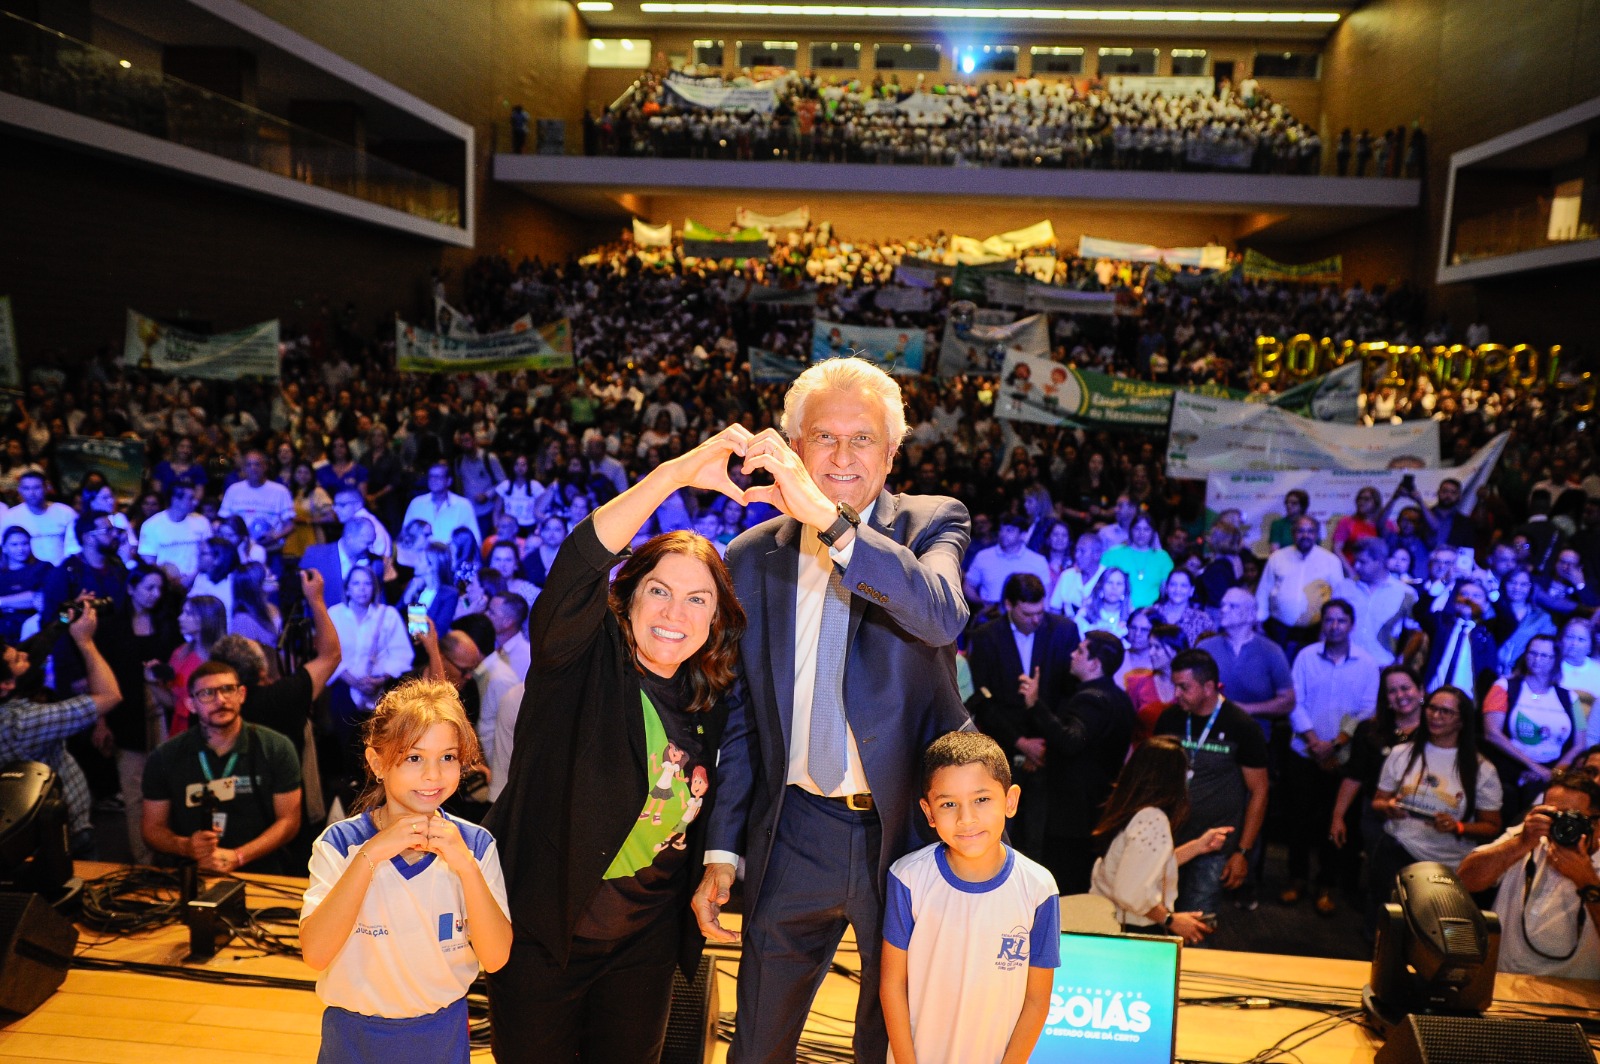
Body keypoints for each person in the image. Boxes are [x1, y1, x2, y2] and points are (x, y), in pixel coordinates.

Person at [692, 358, 971, 1064]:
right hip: (794, 828)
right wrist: (723, 850)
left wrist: (833, 523)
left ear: (891, 453)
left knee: (891, 1043)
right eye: (824, 437)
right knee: (756, 1045)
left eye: (863, 439)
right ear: (794, 447)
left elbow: (940, 616)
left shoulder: (931, 522)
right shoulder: (751, 555)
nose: (843, 456)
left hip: (906, 832)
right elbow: (744, 717)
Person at [483, 425, 750, 1063]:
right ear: (627, 597)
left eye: (698, 599)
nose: (675, 614)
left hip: (644, 949)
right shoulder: (578, 661)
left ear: (715, 619)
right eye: (659, 590)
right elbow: (579, 561)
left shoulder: (711, 700)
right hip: (544, 936)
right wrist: (674, 475)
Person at [300, 678, 511, 1063]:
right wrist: (371, 855)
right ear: (377, 762)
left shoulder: (475, 846)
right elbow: (315, 953)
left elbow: (496, 958)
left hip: (442, 1034)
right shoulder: (340, 844)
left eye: (448, 757)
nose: (433, 775)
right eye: (414, 758)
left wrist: (466, 868)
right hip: (354, 1037)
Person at [881, 732, 1059, 1064]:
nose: (966, 819)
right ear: (929, 812)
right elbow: (892, 985)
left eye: (982, 799)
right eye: (948, 804)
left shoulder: (1039, 888)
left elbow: (1037, 1000)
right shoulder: (908, 878)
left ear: (1010, 801)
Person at [141, 661, 304, 875]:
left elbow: (289, 821)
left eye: (228, 689)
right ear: (191, 704)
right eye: (207, 693)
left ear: (242, 694)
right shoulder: (165, 756)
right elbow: (152, 829)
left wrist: (238, 856)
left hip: (261, 871)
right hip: (191, 873)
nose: (220, 700)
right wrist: (186, 846)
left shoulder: (276, 747)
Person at [1367, 684, 1501, 927]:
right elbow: (1377, 801)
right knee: (1388, 928)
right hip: (1398, 850)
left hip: (1447, 865)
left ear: (1462, 720)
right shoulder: (1401, 753)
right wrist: (1388, 806)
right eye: (1432, 708)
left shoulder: (1482, 769)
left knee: (1432, 931)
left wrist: (1458, 827)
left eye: (1445, 712)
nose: (1435, 716)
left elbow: (1492, 826)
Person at [966, 572, 1079, 861]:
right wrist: (1021, 743)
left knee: (1041, 839)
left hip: (1050, 750)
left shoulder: (1063, 630)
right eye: (1028, 614)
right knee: (1003, 833)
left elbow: (1069, 693)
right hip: (1005, 748)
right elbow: (984, 701)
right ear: (1009, 605)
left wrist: (1045, 740)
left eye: (1040, 612)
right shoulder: (986, 637)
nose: (1036, 620)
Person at [1152, 649, 1269, 925]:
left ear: (1208, 687)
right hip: (1168, 840)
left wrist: (1242, 852)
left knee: (1198, 922)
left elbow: (1259, 791)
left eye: (1184, 687)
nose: (1176, 694)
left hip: (1213, 846)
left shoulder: (1241, 726)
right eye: (1175, 685)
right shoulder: (1170, 719)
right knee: (1157, 919)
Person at [0, 602, 121, 853]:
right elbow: (110, 696)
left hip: (27, 835)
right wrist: (85, 641)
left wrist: (65, 619)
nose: (24, 655)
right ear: (6, 684)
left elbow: (35, 647)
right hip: (61, 838)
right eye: (17, 659)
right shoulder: (21, 722)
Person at [1283, 599, 1380, 912]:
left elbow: (1367, 710)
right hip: (1304, 751)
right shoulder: (1306, 656)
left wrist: (1336, 743)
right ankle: (1296, 879)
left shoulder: (1367, 663)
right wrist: (1314, 741)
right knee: (1298, 820)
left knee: (1334, 822)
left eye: (1341, 621)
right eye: (1329, 620)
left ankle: (1326, 885)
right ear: (1322, 623)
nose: (1334, 626)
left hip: (1343, 757)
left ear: (1351, 625)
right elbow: (1294, 701)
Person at [1457, 769, 1600, 979]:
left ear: (1597, 823)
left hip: (1573, 991)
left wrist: (1587, 881)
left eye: (1573, 817)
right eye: (1554, 815)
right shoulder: (1528, 836)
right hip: (1503, 982)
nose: (1562, 825)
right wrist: (1521, 844)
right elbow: (1464, 881)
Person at [1089, 735, 1231, 943]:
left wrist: (1198, 846)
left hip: (1109, 924)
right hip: (1130, 933)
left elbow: (1141, 868)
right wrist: (1171, 920)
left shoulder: (1131, 810)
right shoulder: (1152, 819)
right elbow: (1130, 893)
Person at [1028, 630, 1136, 895]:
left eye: (1080, 651)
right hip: (1098, 806)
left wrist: (1035, 705)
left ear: (1095, 663)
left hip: (1073, 813)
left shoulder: (1091, 698)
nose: (1072, 655)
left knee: (1065, 886)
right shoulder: (1120, 697)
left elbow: (1070, 741)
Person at [1329, 665, 1425, 883]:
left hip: (1421, 817)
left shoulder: (1436, 731)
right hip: (1376, 815)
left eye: (1405, 688)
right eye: (1392, 691)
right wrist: (1337, 816)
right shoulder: (1370, 730)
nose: (1400, 695)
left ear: (1421, 691)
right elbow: (1354, 776)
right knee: (1381, 878)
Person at [1483, 635, 1580, 823]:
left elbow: (1579, 743)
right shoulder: (1503, 687)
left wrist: (1553, 772)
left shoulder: (1570, 697)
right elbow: (1492, 733)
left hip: (1552, 772)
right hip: (1509, 768)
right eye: (1532, 653)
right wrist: (1534, 767)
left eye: (1544, 656)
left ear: (1555, 660)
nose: (1537, 660)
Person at [327, 566, 413, 778]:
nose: (362, 589)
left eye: (366, 583)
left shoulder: (388, 615)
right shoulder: (335, 614)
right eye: (356, 583)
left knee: (376, 745)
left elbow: (402, 653)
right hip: (344, 687)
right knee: (347, 745)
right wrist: (353, 681)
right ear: (347, 588)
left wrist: (380, 679)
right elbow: (328, 652)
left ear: (374, 588)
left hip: (379, 689)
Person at [1256, 516, 1343, 658]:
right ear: (1293, 533)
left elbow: (1338, 596)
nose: (1305, 535)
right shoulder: (1277, 557)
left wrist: (1331, 625)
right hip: (1279, 627)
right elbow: (1264, 589)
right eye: (1300, 531)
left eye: (1310, 531)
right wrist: (1259, 620)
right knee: (1280, 666)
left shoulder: (1330, 561)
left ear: (1316, 534)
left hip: (1315, 630)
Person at [152, 594, 228, 737]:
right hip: (181, 731)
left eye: (188, 614)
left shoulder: (223, 659)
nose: (180, 618)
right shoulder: (180, 653)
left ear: (206, 619)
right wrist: (152, 680)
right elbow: (173, 702)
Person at [1333, 537, 1415, 666]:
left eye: (1362, 562)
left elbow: (1413, 634)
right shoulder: (1344, 587)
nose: (1356, 566)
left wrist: (1400, 664)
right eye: (1355, 561)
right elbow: (1328, 627)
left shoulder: (1406, 593)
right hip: (1342, 662)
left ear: (1380, 562)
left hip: (1382, 666)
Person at [1423, 578, 1498, 699]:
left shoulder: (1488, 632)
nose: (1469, 599)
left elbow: (1507, 620)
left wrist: (1492, 592)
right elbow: (1420, 611)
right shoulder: (1441, 623)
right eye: (1464, 594)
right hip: (1432, 692)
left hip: (1467, 700)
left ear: (1486, 604)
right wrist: (1444, 580)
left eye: (1476, 596)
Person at [964, 513, 1049, 609]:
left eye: (1009, 530)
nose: (1003, 534)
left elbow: (1045, 596)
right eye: (1001, 530)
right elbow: (968, 586)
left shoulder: (1037, 561)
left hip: (1026, 614)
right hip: (991, 614)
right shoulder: (983, 556)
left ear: (1023, 535)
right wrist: (982, 603)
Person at [218, 450, 294, 555]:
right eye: (249, 465)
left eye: (257, 464)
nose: (253, 468)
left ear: (265, 466)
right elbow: (224, 520)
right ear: (244, 468)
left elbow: (290, 525)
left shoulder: (280, 491)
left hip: (271, 550)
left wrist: (275, 536)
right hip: (240, 551)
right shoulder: (233, 490)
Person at [137, 481, 211, 585]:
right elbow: (149, 561)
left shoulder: (202, 522)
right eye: (190, 498)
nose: (195, 502)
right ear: (175, 500)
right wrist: (172, 580)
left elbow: (209, 554)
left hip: (199, 581)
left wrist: (192, 577)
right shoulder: (151, 525)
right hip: (166, 584)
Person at [300, 513, 380, 609]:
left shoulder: (376, 563)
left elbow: (378, 603)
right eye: (367, 543)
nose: (371, 548)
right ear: (350, 538)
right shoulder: (315, 556)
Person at [1489, 567, 1557, 677]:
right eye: (1512, 582)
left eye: (1523, 584)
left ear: (1530, 587)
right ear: (1504, 584)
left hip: (1522, 674)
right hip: (1487, 670)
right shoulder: (1491, 610)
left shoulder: (1541, 617)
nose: (1517, 588)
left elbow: (1546, 650)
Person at [4, 470, 78, 565]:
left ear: (46, 488)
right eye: (26, 488)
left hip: (63, 569)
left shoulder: (65, 512)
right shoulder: (10, 517)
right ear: (20, 490)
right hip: (27, 571)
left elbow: (75, 546)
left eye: (36, 487)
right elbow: (4, 549)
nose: (32, 492)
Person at [1101, 512, 1172, 610]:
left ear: (1153, 532)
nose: (1141, 533)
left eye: (1146, 529)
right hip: (1116, 611)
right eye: (1137, 528)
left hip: (1149, 613)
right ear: (1131, 530)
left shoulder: (1162, 558)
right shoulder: (1113, 554)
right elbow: (1100, 584)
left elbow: (1166, 591)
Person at [403, 461, 480, 548]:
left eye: (438, 477)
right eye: (431, 476)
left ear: (449, 481)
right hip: (420, 555)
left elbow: (475, 539)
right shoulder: (416, 504)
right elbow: (405, 535)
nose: (433, 480)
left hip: (452, 555)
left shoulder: (463, 505)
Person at [0, 525, 47, 643]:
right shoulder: (2, 574)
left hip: (34, 629)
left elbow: (36, 599)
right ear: (4, 548)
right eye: (14, 545)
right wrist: (19, 600)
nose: (20, 549)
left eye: (25, 543)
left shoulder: (43, 568)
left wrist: (2, 602)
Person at [1045, 529, 1104, 617]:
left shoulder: (1108, 577)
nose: (1076, 555)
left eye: (1082, 551)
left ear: (1097, 554)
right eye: (1076, 551)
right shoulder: (1067, 576)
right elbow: (1055, 609)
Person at [1152, 568, 1211, 648]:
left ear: (1191, 590)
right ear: (1166, 588)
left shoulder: (1202, 620)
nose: (1178, 590)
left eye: (1183, 586)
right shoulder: (1153, 612)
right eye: (1173, 584)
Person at [1075, 565, 1131, 639]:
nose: (1114, 587)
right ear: (1101, 586)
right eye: (1109, 582)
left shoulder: (1131, 617)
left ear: (1125, 589)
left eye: (1119, 584)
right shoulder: (1085, 614)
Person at [1332, 486, 1382, 564]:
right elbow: (1336, 550)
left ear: (1376, 503)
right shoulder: (1346, 522)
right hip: (1351, 567)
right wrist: (1350, 570)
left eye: (1366, 499)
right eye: (1359, 499)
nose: (1361, 502)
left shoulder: (1385, 524)